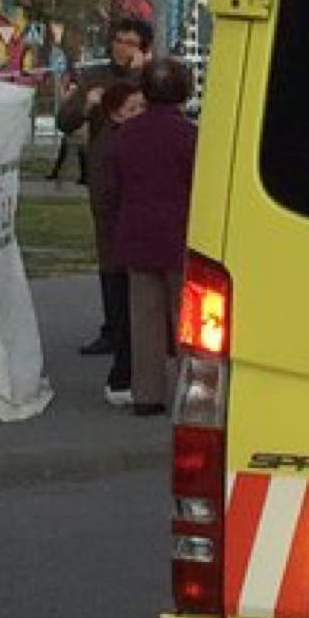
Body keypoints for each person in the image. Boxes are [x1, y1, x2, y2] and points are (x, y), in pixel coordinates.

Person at [55, 18, 151, 355]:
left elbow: (154, 111)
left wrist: (137, 75)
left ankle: (141, 330)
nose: (121, 48)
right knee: (109, 254)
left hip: (141, 179)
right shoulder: (95, 77)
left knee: (140, 256)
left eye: (130, 43)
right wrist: (86, 105)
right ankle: (113, 328)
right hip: (105, 178)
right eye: (118, 41)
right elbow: (64, 122)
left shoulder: (151, 80)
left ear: (143, 50)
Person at [110, 57, 199, 417]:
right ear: (184, 92)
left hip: (138, 231)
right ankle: (192, 392)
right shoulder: (191, 136)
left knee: (144, 316)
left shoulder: (126, 134)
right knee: (187, 318)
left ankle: (147, 393)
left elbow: (117, 183)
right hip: (181, 233)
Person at [89, 80, 146, 403]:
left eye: (141, 107)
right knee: (124, 314)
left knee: (128, 312)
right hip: (118, 243)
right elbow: (106, 198)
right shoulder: (111, 145)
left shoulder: (120, 140)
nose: (139, 114)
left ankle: (126, 375)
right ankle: (121, 378)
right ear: (115, 113)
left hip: (121, 240)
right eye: (132, 109)